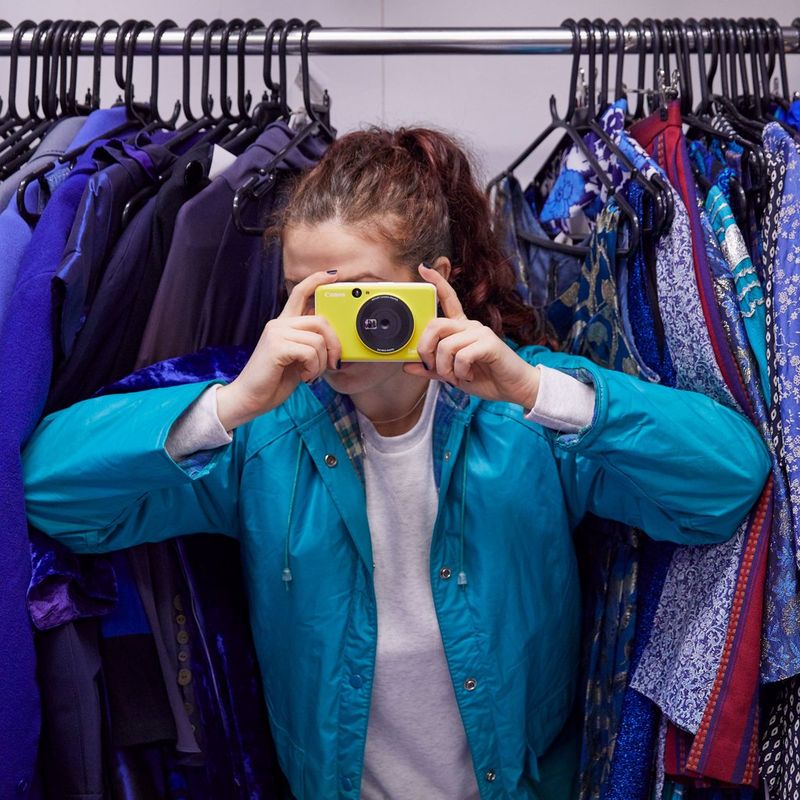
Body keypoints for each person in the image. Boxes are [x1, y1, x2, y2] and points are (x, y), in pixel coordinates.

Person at [22, 127, 771, 800]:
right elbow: (50, 495)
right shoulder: (264, 432)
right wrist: (228, 404)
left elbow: (727, 485)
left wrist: (535, 389)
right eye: (303, 297)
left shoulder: (521, 413)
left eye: (357, 296)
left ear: (430, 279)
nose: (332, 328)